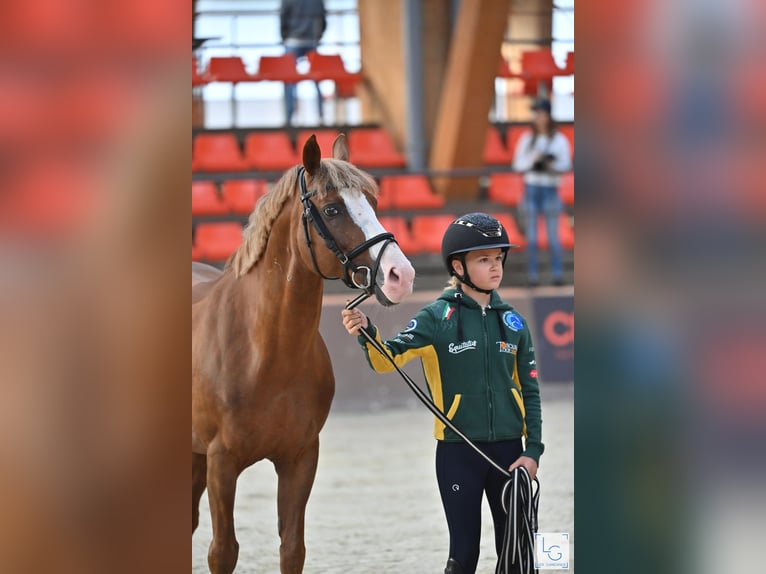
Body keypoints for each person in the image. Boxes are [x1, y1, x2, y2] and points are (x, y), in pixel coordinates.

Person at [341, 213, 544, 574]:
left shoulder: (514, 322)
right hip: (458, 453)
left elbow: (530, 391)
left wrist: (533, 452)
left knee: (521, 555)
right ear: (458, 265)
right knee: (463, 557)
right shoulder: (437, 317)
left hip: (512, 455)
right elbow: (388, 360)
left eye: (498, 258)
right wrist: (366, 333)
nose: (495, 267)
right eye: (484, 259)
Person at [512, 98, 572, 286]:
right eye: (535, 114)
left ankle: (557, 275)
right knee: (532, 236)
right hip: (532, 188)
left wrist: (549, 163)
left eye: (540, 113)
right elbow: (518, 165)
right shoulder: (527, 139)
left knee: (554, 236)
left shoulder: (559, 139)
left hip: (551, 187)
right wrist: (534, 159)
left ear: (547, 115)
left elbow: (566, 164)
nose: (537, 117)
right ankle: (533, 276)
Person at [280, 0, 326, 125]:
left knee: (289, 81)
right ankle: (321, 116)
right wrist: (317, 37)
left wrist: (284, 37)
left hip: (293, 41)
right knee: (317, 78)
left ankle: (289, 119)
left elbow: (283, 18)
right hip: (312, 41)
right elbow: (323, 20)